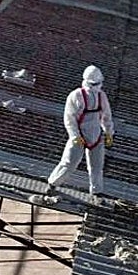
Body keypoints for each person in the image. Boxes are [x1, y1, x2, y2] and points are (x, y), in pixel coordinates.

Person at [46, 65, 114, 198]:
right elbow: (69, 118)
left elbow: (106, 116)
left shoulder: (102, 96)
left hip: (96, 135)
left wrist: (108, 133)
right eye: (94, 84)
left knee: (96, 166)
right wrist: (75, 136)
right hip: (79, 135)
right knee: (69, 162)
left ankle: (96, 192)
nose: (96, 86)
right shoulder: (76, 96)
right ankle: (53, 184)